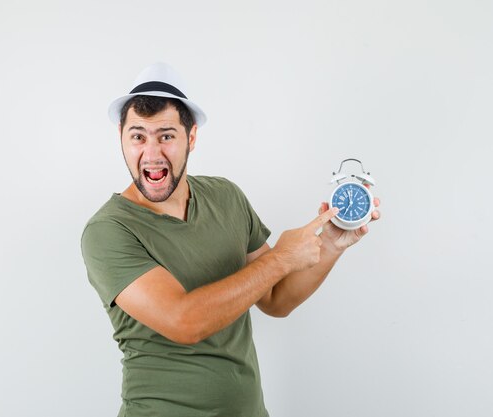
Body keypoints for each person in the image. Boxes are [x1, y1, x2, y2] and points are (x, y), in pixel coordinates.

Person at [81, 62, 381, 417]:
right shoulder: (108, 230)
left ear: (191, 137)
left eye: (166, 135)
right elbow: (184, 321)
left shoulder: (226, 197)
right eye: (138, 136)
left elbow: (275, 299)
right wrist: (281, 258)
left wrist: (331, 243)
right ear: (121, 137)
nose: (151, 152)